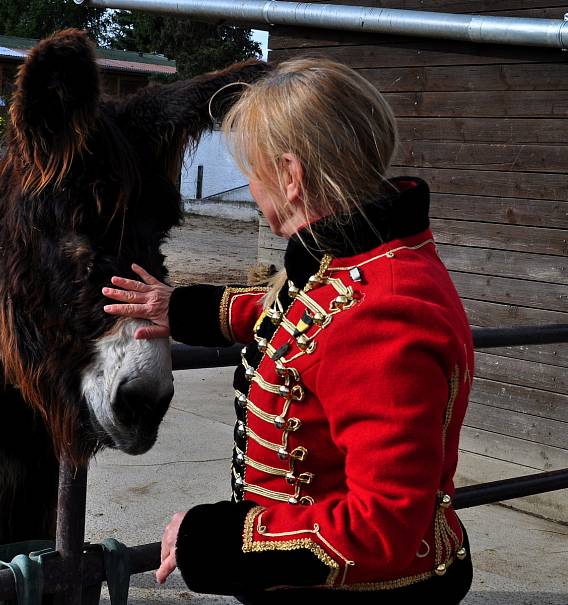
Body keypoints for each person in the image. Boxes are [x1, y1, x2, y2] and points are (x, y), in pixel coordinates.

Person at [102, 58, 474, 603]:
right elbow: (313, 319)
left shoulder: (385, 312)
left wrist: (215, 541)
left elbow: (385, 527)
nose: (250, 188)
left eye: (251, 172)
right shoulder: (368, 262)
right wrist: (180, 310)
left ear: (291, 176)